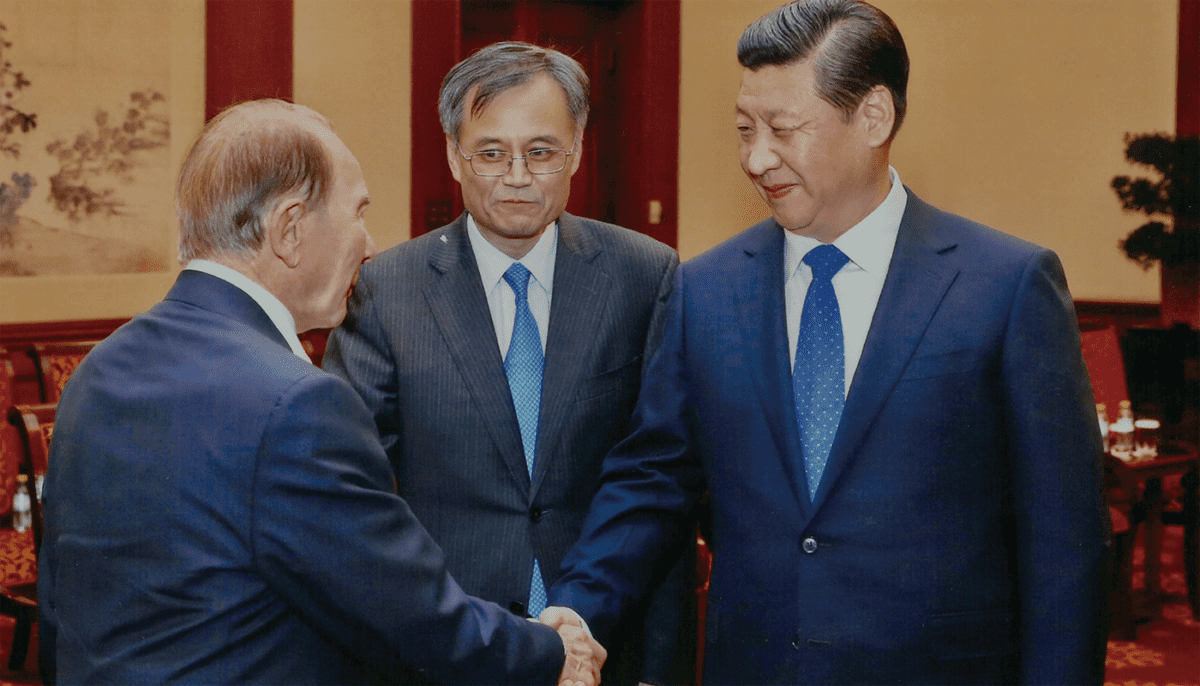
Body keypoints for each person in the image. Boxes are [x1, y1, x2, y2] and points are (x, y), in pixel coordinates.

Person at [543, 1, 1110, 684]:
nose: (756, 158)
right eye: (745, 129)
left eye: (784, 129)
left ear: (873, 116)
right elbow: (651, 479)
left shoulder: (1005, 286)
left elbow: (1064, 542)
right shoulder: (705, 290)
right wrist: (575, 612)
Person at [37, 99, 606, 685]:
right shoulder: (296, 406)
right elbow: (408, 615)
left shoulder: (97, 372)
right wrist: (551, 653)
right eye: (356, 213)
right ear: (289, 229)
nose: (369, 243)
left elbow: (59, 603)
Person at [322, 42, 689, 685]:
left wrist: (582, 620)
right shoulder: (386, 292)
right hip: (450, 647)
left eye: (541, 151)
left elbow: (660, 468)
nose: (517, 175)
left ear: (575, 149)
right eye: (491, 152)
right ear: (452, 156)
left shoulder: (644, 275)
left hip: (609, 634)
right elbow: (355, 489)